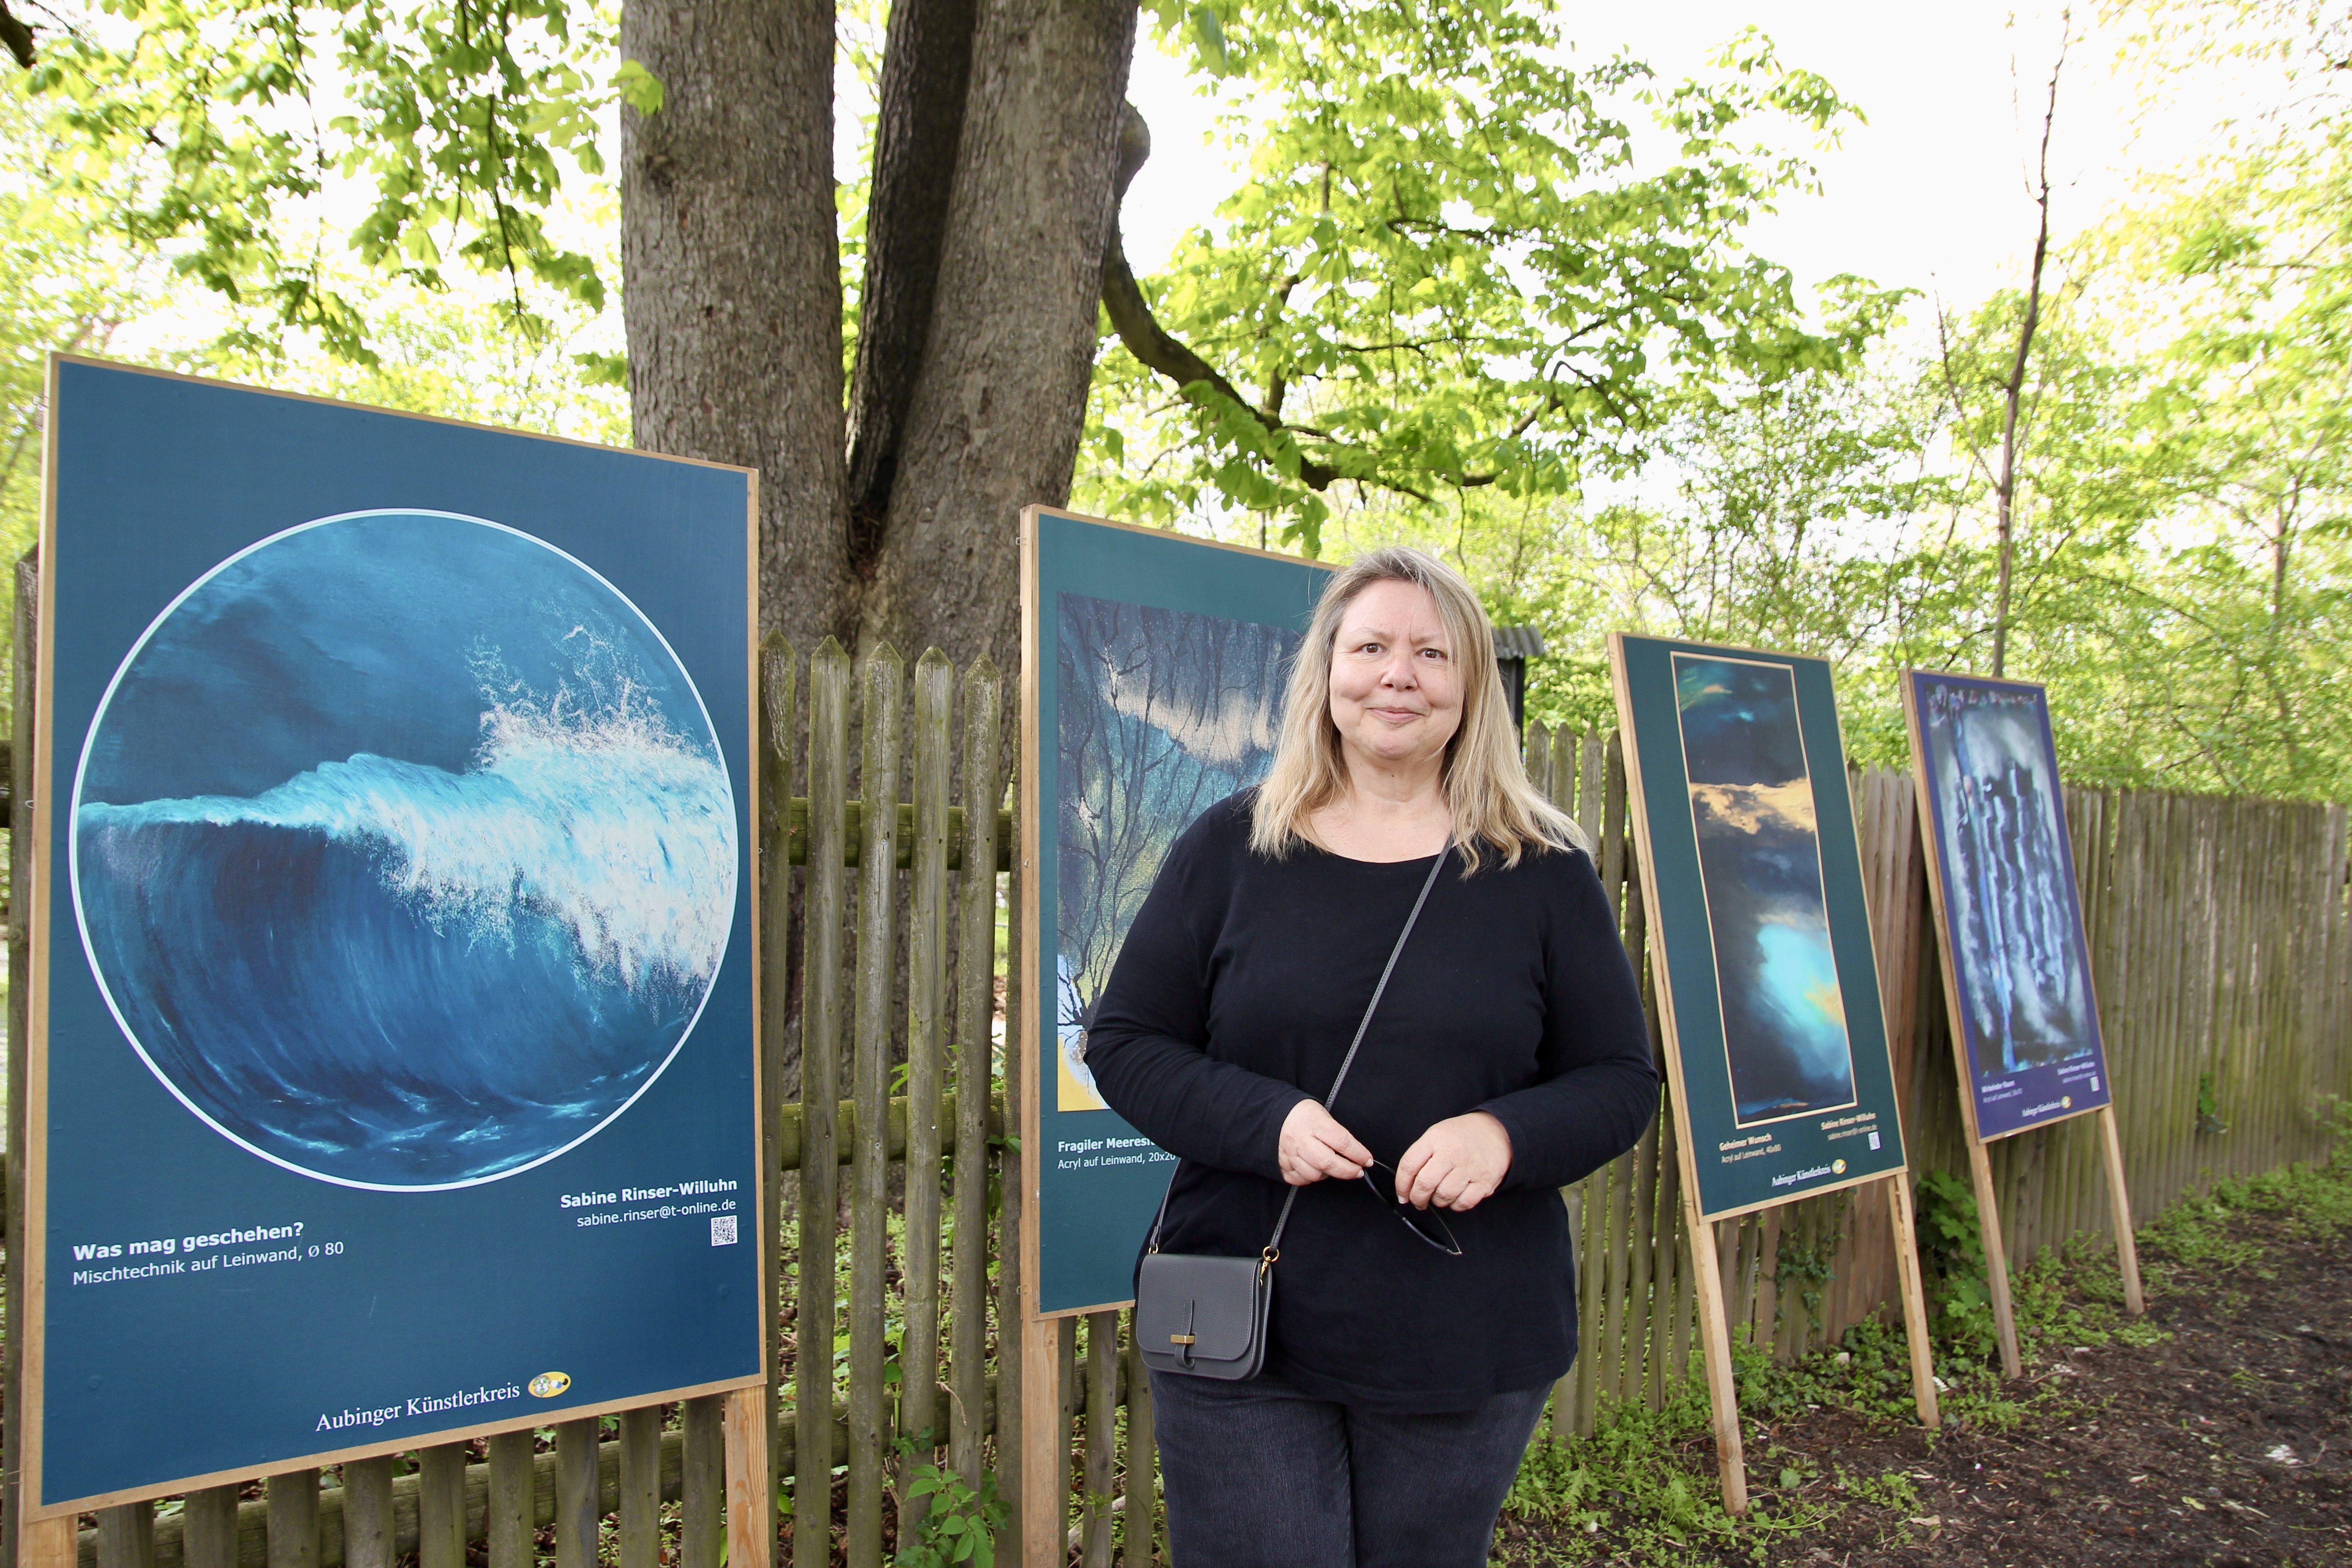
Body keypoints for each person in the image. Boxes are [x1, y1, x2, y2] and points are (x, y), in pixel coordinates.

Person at [1083, 546, 1657, 1568]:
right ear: (1327, 672)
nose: (1400, 675)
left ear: (1472, 685)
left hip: (1462, 1329)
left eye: (1433, 654)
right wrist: (1265, 1121)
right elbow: (1125, 1042)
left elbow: (1620, 1080)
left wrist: (1503, 1136)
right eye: (1372, 648)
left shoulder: (1541, 871)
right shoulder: (1232, 847)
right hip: (1245, 1316)